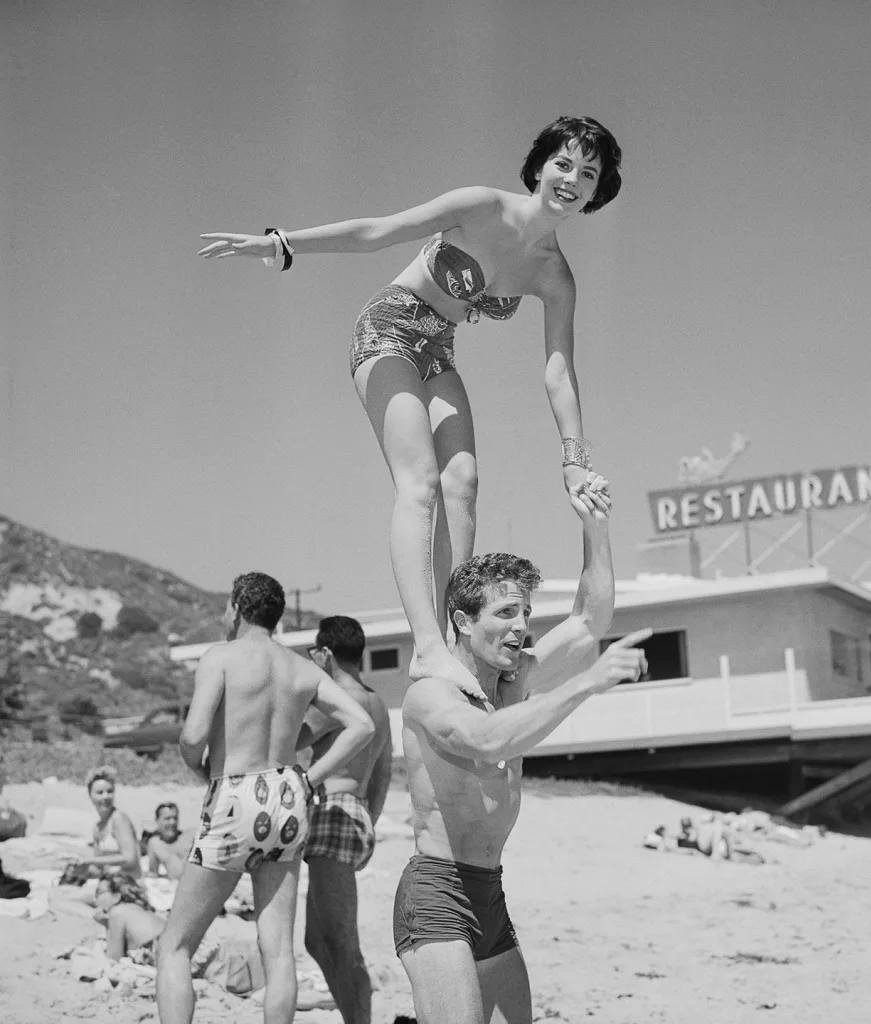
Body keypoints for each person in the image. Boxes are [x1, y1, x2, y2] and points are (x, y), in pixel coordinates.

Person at [197, 116, 622, 694]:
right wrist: (283, 243)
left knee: (464, 482)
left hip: (438, 351)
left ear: (598, 191)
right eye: (564, 163)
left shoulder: (554, 275)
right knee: (419, 482)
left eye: (588, 173)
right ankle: (426, 646)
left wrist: (573, 456)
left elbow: (559, 369)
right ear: (541, 166)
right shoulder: (480, 206)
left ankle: (456, 637)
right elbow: (379, 230)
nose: (572, 178)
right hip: (389, 328)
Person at [394, 487, 650, 1024]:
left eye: (526, 613)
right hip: (439, 892)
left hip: (489, 889)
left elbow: (589, 621)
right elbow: (487, 742)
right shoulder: (431, 694)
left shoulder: (515, 681)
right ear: (463, 622)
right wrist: (585, 685)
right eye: (506, 612)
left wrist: (596, 528)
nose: (522, 626)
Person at [155, 572, 375, 1024]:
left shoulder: (220, 657)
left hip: (235, 790)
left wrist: (201, 769)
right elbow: (362, 725)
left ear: (236, 607)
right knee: (277, 955)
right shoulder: (301, 667)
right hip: (288, 794)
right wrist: (310, 779)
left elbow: (193, 734)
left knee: (174, 946)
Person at [299, 614, 393, 1024]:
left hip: (332, 814)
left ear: (326, 653)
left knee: (340, 942)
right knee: (317, 941)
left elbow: (286, 741)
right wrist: (368, 822)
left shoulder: (334, 702)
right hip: (355, 815)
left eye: (313, 653)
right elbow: (384, 773)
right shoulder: (377, 703)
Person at [65, 766, 142, 880]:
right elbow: (99, 869)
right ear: (90, 795)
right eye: (100, 793)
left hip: (129, 883)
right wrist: (80, 870)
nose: (105, 796)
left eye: (109, 791)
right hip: (110, 882)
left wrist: (89, 860)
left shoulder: (119, 819)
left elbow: (130, 858)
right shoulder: (98, 828)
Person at [95, 872, 166, 963]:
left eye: (98, 892)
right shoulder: (138, 910)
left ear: (116, 896)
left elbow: (114, 958)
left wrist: (107, 927)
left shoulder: (117, 912)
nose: (95, 898)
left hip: (159, 952)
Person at [147, 802, 195, 880]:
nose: (173, 822)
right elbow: (153, 875)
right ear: (157, 820)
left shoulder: (190, 836)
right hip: (175, 887)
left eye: (175, 818)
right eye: (167, 818)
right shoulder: (155, 844)